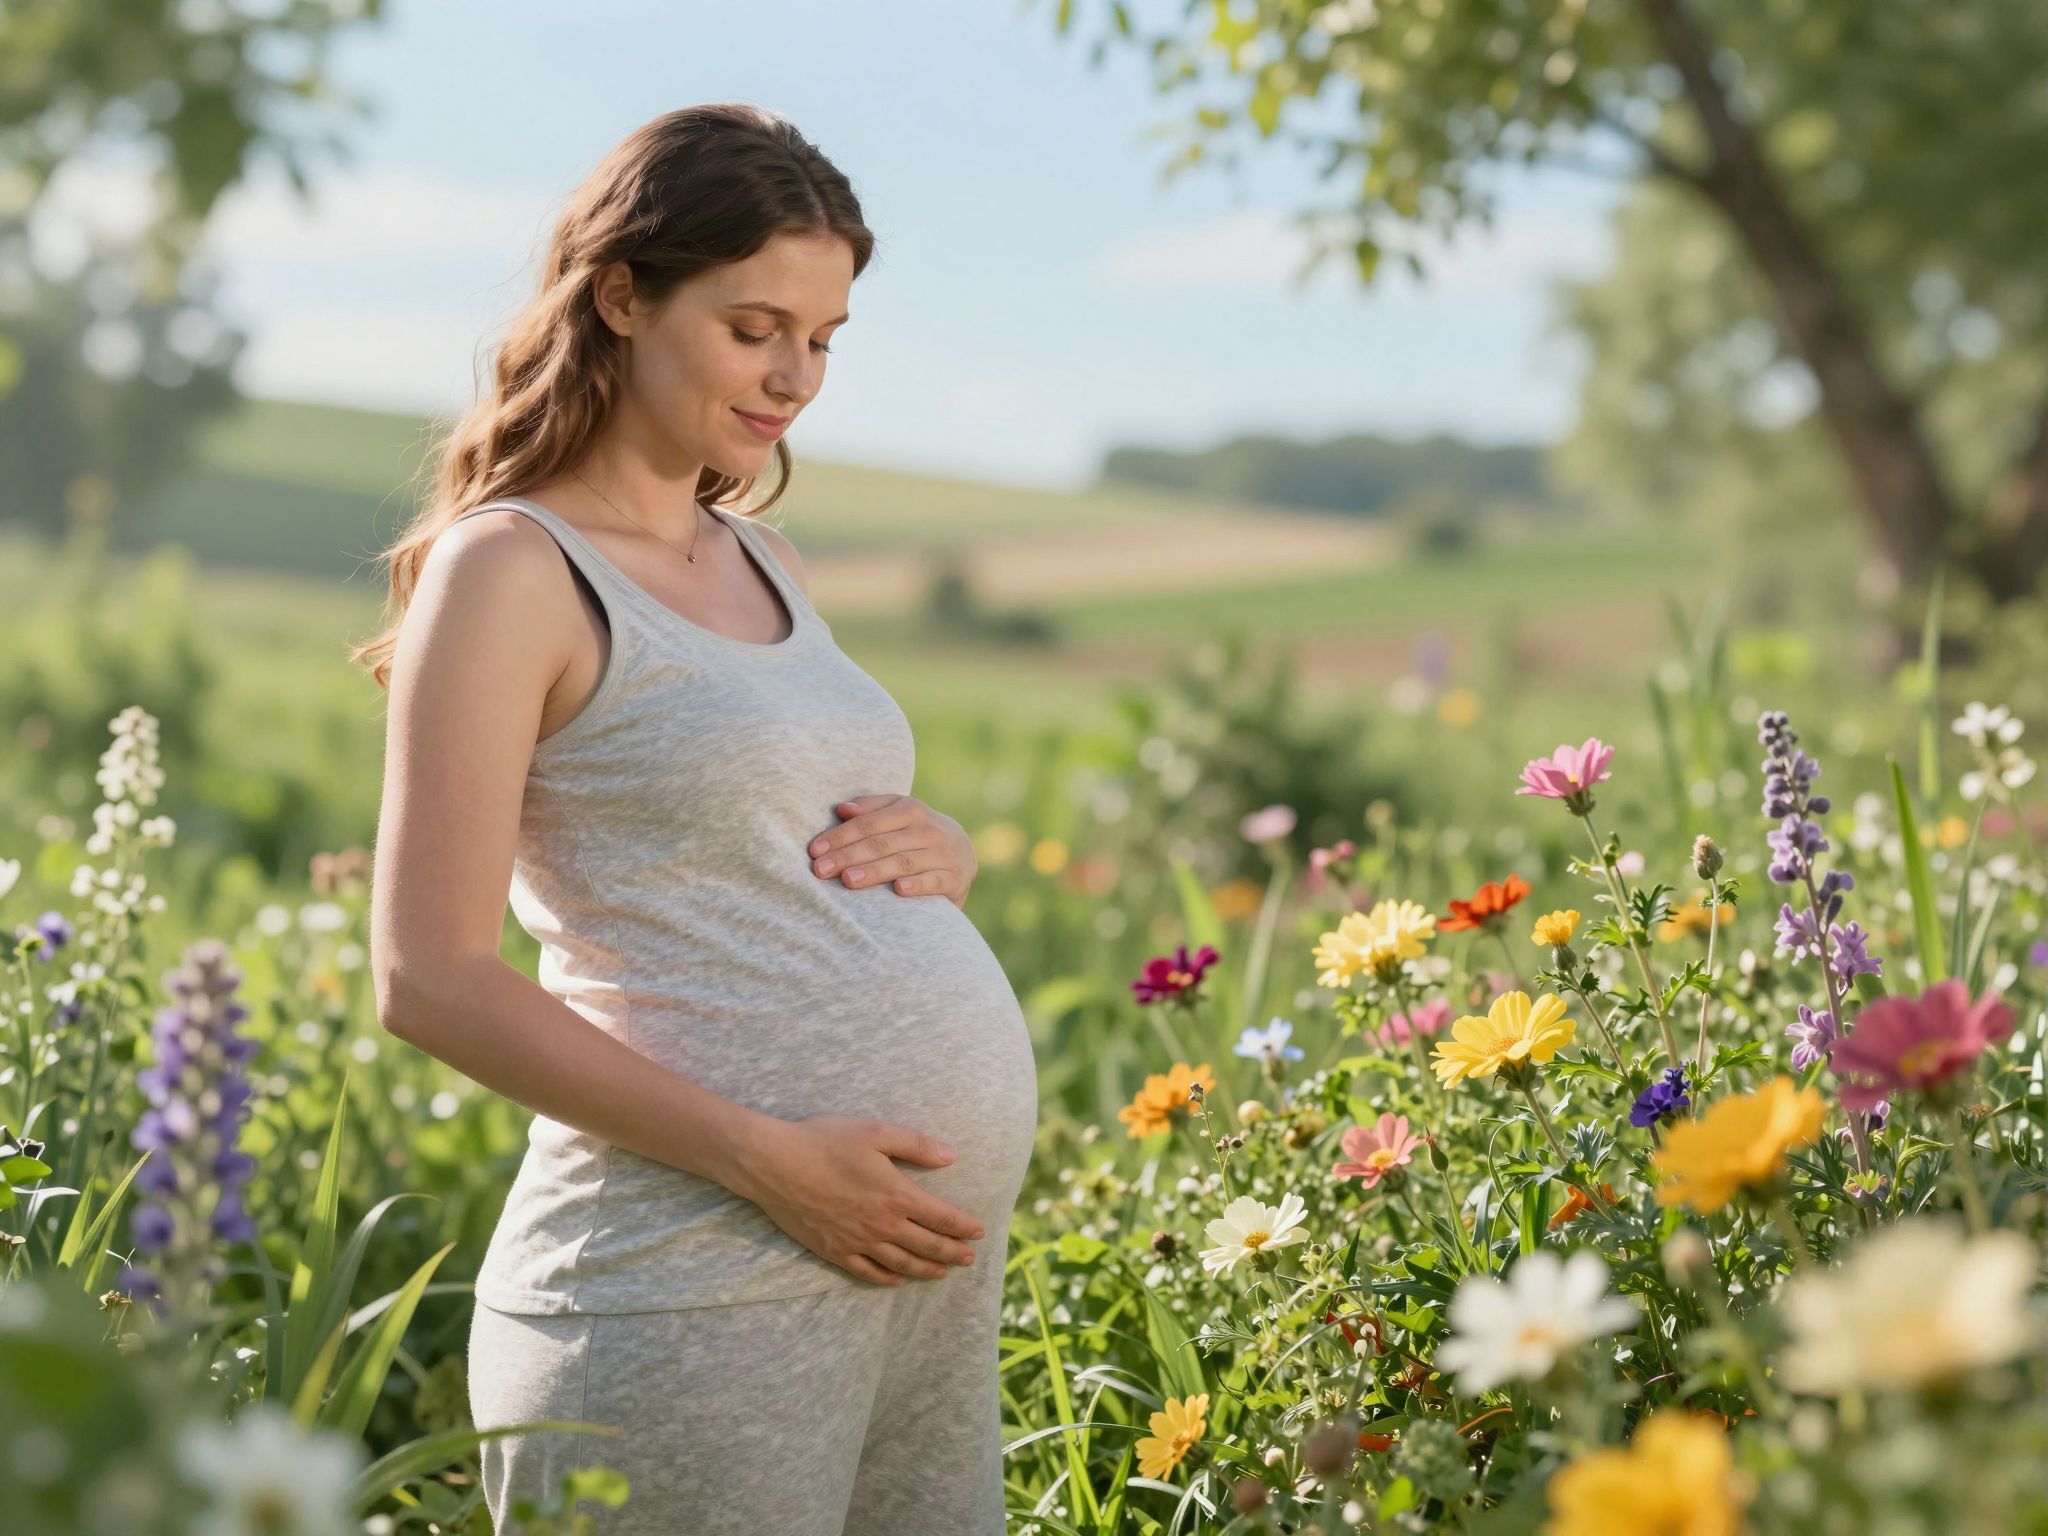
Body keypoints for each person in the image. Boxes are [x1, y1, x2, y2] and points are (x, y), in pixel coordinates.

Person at [355, 103, 1039, 1535]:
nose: (796, 377)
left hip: (911, 1296)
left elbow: (769, 827)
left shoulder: (761, 555)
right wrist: (766, 1160)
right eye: (753, 328)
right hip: (682, 1285)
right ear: (621, 295)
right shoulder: (513, 570)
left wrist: (943, 852)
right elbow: (429, 979)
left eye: (825, 339)